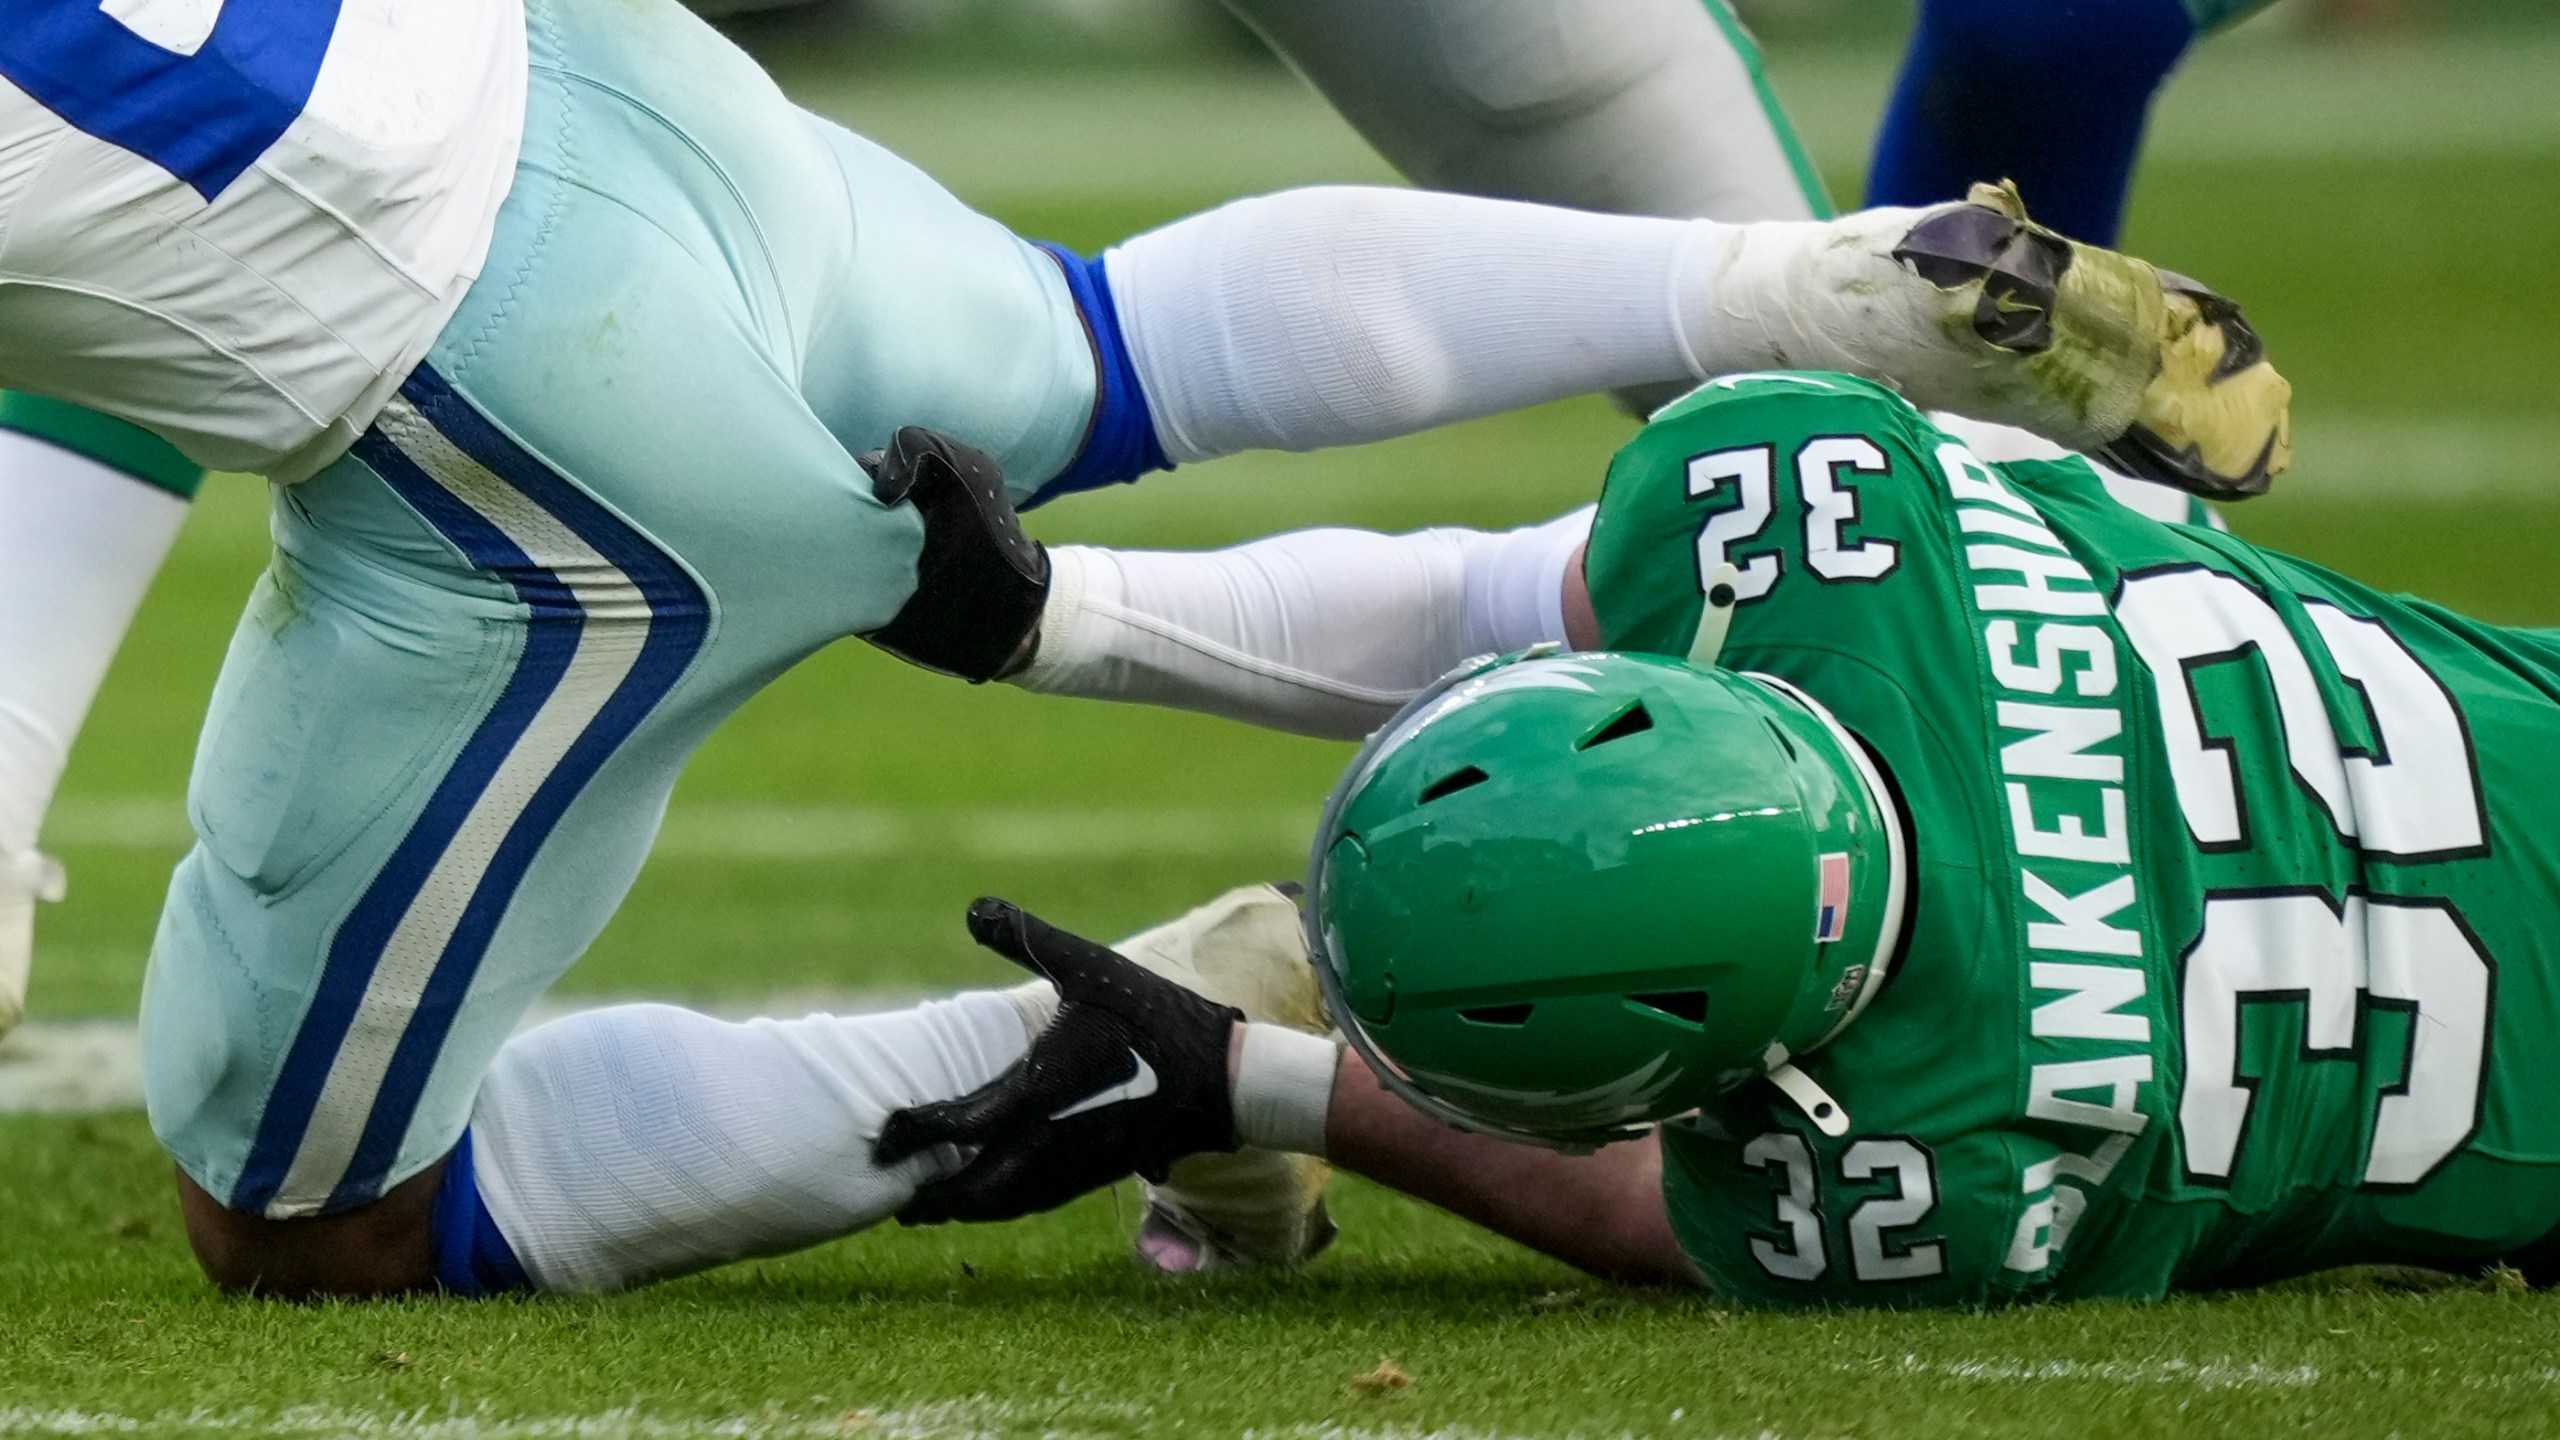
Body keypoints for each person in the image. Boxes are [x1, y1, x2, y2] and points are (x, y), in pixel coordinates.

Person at [0, 0, 2280, 1294]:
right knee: (1116, 340)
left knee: (318, 1224)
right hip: (591, 86)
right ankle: (1760, 289)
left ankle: (1150, 1041)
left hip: (527, 420)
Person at [878, 366, 2560, 1306]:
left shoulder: (1953, 1167)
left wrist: (1242, 1072)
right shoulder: (1842, 516)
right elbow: (1491, 602)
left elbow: (1653, 1218)